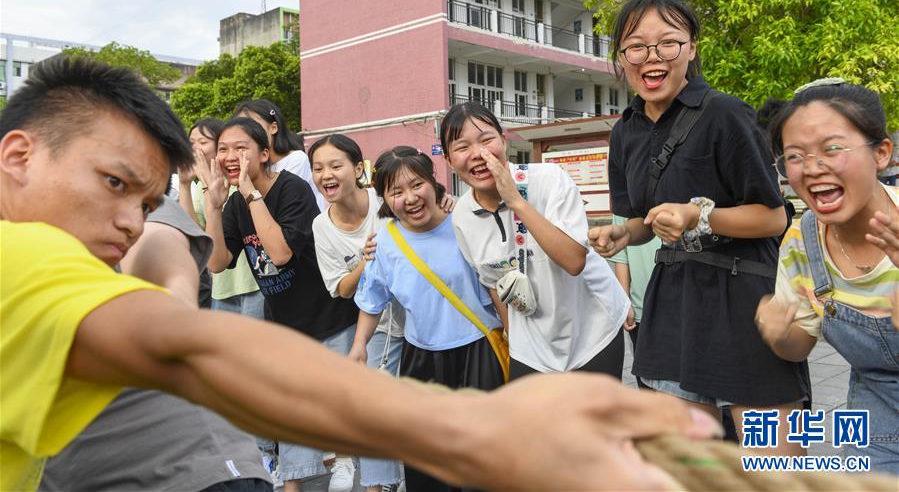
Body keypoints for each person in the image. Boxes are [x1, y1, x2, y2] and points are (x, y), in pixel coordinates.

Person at [1, 55, 723, 492]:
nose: (129, 218)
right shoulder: (23, 257)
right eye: (114, 183)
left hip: (559, 345)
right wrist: (475, 430)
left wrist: (160, 245)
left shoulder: (534, 189)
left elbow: (163, 280)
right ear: (18, 156)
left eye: (147, 199)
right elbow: (184, 347)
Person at [587, 0, 808, 454]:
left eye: (667, 43)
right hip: (672, 306)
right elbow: (642, 220)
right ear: (622, 57)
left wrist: (699, 217)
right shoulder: (625, 131)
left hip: (743, 300)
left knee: (773, 468)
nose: (652, 57)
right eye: (636, 47)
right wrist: (622, 233)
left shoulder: (726, 114)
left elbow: (771, 218)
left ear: (691, 48)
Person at [40, 196, 272, 492]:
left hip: (189, 470)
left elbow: (161, 257)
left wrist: (172, 313)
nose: (131, 220)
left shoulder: (119, 196)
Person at [199, 117, 358, 492]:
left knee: (342, 403)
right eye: (223, 149)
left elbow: (281, 253)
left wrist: (251, 194)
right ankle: (292, 485)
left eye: (241, 148)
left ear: (265, 153)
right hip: (284, 323)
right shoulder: (235, 203)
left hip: (330, 315)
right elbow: (217, 263)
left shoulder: (292, 189)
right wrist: (214, 207)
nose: (229, 156)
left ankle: (358, 468)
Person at [754, 79, 898, 474]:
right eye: (795, 156)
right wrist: (780, 334)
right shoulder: (803, 240)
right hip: (879, 414)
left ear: (881, 152)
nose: (813, 168)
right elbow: (798, 347)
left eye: (833, 149)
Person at [353, 146, 506, 492]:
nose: (410, 198)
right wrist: (359, 345)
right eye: (396, 191)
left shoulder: (465, 222)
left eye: (416, 184)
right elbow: (372, 298)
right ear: (384, 199)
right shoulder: (386, 242)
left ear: (433, 183)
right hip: (421, 359)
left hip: (479, 351)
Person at [440, 102, 629, 379]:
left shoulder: (549, 180)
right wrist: (513, 336)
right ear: (448, 160)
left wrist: (516, 201)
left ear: (503, 141)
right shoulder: (462, 217)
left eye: (486, 140)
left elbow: (574, 260)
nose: (478, 155)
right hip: (532, 346)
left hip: (592, 330)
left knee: (596, 423)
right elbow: (493, 284)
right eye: (461, 147)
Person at [308, 135, 406, 492]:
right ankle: (376, 487)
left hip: (423, 316)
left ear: (358, 168)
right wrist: (366, 263)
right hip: (379, 325)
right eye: (318, 169)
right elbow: (342, 289)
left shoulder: (387, 199)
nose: (326, 175)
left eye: (335, 165)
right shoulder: (322, 227)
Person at [178, 118, 264, 318]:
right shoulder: (199, 187)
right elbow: (198, 237)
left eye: (203, 141)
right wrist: (184, 185)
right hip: (221, 288)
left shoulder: (239, 179)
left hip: (253, 284)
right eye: (191, 142)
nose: (195, 148)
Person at [235, 99, 327, 212]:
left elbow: (277, 202)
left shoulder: (296, 159)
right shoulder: (252, 168)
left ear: (273, 128)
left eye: (254, 126)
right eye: (241, 129)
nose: (248, 134)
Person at [607, 213, 662, 388]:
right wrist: (625, 301)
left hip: (684, 302)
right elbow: (621, 256)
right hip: (642, 308)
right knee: (647, 383)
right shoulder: (627, 195)